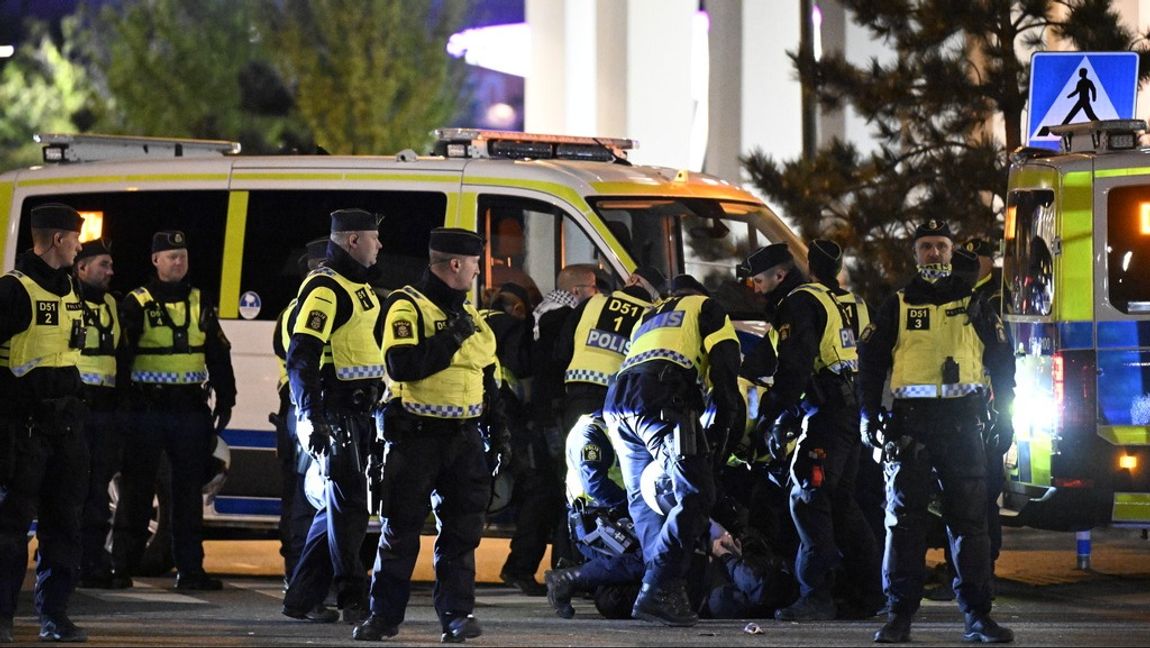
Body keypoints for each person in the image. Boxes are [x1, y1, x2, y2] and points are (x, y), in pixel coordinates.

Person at [857, 220, 1015, 644]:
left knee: (970, 525)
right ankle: (899, 617)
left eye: (940, 247)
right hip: (912, 425)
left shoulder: (977, 305)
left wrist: (1007, 414)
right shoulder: (899, 304)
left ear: (951, 252)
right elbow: (869, 362)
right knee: (904, 524)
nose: (933, 254)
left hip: (964, 424)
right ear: (915, 254)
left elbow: (1002, 361)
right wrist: (869, 414)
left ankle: (978, 617)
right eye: (925, 247)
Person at [354, 227, 510, 643]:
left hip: (464, 439)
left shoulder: (473, 316)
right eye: (475, 265)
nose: (478, 273)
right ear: (455, 264)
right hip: (416, 437)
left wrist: (500, 432)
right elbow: (403, 364)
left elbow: (488, 379)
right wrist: (450, 336)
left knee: (461, 535)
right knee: (400, 531)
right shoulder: (407, 306)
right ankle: (383, 618)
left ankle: (457, 616)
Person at [601, 273, 743, 627]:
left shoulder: (651, 314)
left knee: (643, 500)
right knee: (696, 493)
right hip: (663, 398)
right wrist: (721, 440)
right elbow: (726, 377)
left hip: (618, 402)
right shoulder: (706, 307)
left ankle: (660, 591)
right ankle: (659, 588)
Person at [752, 239, 882, 621]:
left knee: (807, 497)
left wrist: (771, 413)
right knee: (841, 504)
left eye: (758, 281)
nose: (755, 289)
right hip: (849, 412)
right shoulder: (841, 301)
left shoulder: (799, 302)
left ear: (785, 273)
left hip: (827, 414)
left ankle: (816, 594)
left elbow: (795, 365)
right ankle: (867, 593)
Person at [111, 229, 236, 591]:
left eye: (182, 255)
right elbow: (122, 359)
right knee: (136, 491)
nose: (178, 261)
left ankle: (190, 571)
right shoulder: (136, 302)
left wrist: (226, 398)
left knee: (187, 496)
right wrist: (123, 408)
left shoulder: (200, 300)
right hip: (147, 409)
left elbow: (218, 354)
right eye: (171, 256)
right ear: (155, 260)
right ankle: (122, 566)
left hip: (189, 410)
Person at [280, 211, 385, 624]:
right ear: (353, 240)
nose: (380, 246)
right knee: (350, 510)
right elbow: (301, 356)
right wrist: (312, 417)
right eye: (374, 239)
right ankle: (352, 597)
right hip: (335, 410)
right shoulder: (325, 290)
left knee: (336, 510)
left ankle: (301, 598)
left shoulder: (359, 288)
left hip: (358, 410)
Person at [0, 204, 89, 642]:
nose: (80, 244)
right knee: (9, 531)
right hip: (23, 430)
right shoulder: (12, 292)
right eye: (76, 237)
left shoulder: (71, 287)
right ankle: (1, 619)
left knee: (64, 527)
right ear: (58, 239)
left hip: (66, 429)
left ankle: (54, 615)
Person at [482, 283, 564, 597]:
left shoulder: (475, 320)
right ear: (518, 309)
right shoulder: (509, 328)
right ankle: (519, 568)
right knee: (541, 491)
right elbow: (525, 367)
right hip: (509, 423)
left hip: (469, 420)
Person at [544, 414, 644, 619]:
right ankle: (570, 577)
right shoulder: (590, 432)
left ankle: (586, 573)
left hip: (616, 517)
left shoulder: (623, 427)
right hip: (597, 523)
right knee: (651, 556)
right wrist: (635, 507)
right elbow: (596, 485)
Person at [272, 237, 328, 587]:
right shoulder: (303, 310)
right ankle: (300, 579)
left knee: (314, 498)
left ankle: (310, 578)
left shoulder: (301, 306)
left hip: (308, 409)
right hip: (305, 411)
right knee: (305, 498)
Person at [556, 266, 664, 439]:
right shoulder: (653, 316)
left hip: (579, 392)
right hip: (620, 400)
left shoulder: (593, 302)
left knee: (580, 456)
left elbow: (562, 350)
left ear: (633, 280)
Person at [73, 239, 124, 590]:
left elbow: (121, 355)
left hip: (103, 412)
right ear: (82, 268)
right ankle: (67, 559)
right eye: (103, 265)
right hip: (73, 408)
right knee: (69, 490)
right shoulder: (67, 300)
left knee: (96, 492)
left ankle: (92, 561)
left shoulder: (111, 304)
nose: (110, 272)